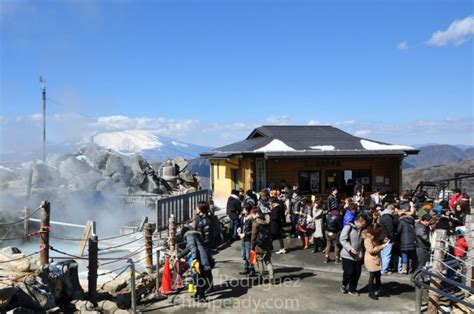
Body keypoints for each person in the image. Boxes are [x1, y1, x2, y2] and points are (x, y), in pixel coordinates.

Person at [177, 229, 214, 303]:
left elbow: (193, 248)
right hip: (205, 257)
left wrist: (194, 259)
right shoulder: (197, 235)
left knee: (201, 278)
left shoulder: (189, 236)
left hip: (200, 260)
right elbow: (189, 248)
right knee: (201, 277)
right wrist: (179, 256)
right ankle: (198, 294)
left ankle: (201, 297)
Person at [339, 215, 367, 296]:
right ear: (358, 222)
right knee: (349, 272)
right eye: (363, 224)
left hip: (358, 255)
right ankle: (344, 284)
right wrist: (350, 248)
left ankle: (352, 289)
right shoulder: (348, 227)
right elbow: (342, 239)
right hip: (347, 255)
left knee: (357, 273)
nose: (364, 225)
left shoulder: (362, 229)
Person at [362, 223, 389, 300]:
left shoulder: (374, 237)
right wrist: (382, 246)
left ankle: (380, 290)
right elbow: (371, 250)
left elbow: (376, 245)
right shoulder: (367, 239)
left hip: (376, 259)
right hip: (371, 260)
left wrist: (383, 242)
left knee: (378, 275)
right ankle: (371, 293)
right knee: (372, 276)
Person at [250, 207, 274, 283]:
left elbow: (253, 236)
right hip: (267, 244)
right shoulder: (266, 221)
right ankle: (271, 277)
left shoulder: (255, 223)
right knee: (268, 261)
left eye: (252, 213)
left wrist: (252, 247)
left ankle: (263, 278)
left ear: (256, 213)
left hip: (259, 246)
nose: (251, 215)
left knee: (260, 262)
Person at [238, 204, 255, 275]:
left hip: (249, 239)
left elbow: (253, 230)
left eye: (244, 209)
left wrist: (245, 234)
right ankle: (246, 267)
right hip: (243, 238)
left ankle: (252, 269)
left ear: (248, 210)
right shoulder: (243, 217)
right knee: (244, 254)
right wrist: (240, 229)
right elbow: (242, 226)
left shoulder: (251, 218)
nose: (243, 210)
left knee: (250, 255)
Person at [380, 205, 397, 275]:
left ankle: (382, 268)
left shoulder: (382, 216)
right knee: (387, 254)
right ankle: (384, 270)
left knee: (383, 254)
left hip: (382, 237)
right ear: (392, 210)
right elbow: (390, 229)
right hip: (388, 238)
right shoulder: (388, 218)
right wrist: (393, 239)